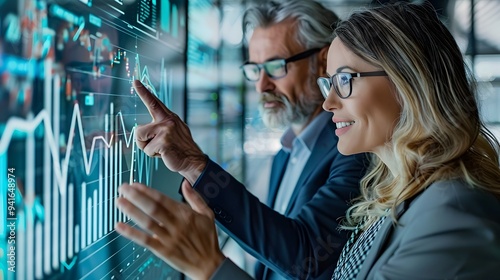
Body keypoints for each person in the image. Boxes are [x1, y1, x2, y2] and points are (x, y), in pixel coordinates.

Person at [116, 1, 500, 279]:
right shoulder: (393, 194)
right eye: (255, 69)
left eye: (344, 80)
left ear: (408, 84)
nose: (330, 100)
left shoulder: (452, 213)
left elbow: (305, 255)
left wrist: (211, 268)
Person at [117, 1, 368, 279]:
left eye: (275, 66)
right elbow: (274, 258)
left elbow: (305, 256)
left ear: (323, 61)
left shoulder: (355, 149)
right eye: (255, 69)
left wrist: (195, 164)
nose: (262, 85)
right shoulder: (284, 154)